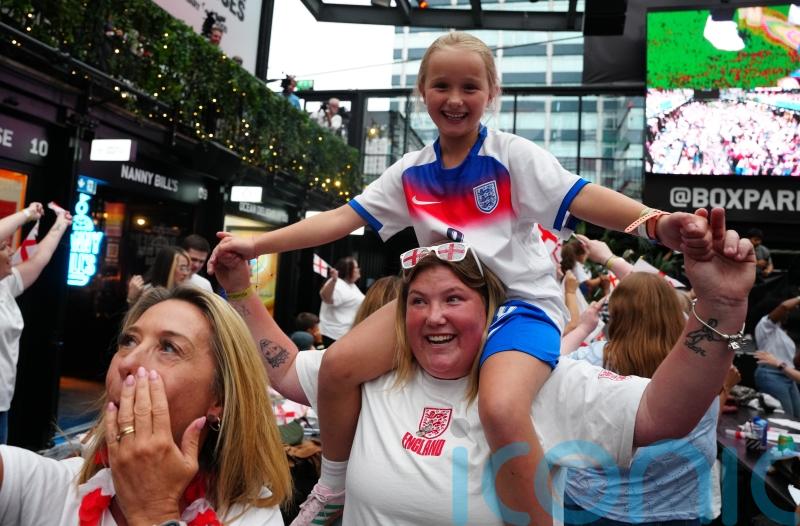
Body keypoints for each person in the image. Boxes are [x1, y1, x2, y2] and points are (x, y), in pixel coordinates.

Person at [209, 31, 727, 526]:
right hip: (438, 297)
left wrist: (655, 223)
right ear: (422, 92)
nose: (454, 99)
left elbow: (583, 195)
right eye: (441, 86)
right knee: (341, 365)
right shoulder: (410, 171)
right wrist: (256, 244)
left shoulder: (511, 157)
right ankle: (334, 488)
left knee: (502, 407)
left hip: (518, 307)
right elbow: (339, 219)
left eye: (469, 87)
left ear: (491, 93)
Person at [212, 207, 754, 525]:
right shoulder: (372, 372)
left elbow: (664, 414)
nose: (432, 316)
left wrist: (721, 307)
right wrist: (238, 290)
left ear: (491, 310)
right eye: (418, 301)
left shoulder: (535, 383)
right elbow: (282, 370)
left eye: (453, 300)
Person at [0, 286, 291, 524]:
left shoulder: (251, 515)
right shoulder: (53, 486)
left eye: (168, 348)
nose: (127, 362)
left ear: (220, 399)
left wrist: (155, 512)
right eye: (128, 341)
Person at [561, 272, 719, 525]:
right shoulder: (701, 364)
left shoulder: (589, 362)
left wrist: (583, 328)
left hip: (593, 504)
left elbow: (549, 366)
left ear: (614, 315)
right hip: (677, 509)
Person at [0, 203, 71, 444]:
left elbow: (39, 258)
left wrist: (61, 223)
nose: (11, 252)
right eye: (3, 247)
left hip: (2, 403)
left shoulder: (5, 285)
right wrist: (28, 214)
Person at [753, 295, 800, 416]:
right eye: (786, 312)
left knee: (797, 415)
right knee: (785, 416)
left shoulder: (783, 334)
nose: (788, 313)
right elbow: (784, 306)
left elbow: (792, 361)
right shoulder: (765, 326)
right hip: (771, 374)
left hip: (788, 374)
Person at [318, 257, 364, 348]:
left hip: (346, 334)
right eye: (356, 267)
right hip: (335, 336)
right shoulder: (337, 284)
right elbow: (325, 297)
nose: (359, 270)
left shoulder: (351, 285)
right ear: (348, 270)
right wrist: (334, 280)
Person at [127, 246, 191, 305]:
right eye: (182, 268)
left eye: (187, 268)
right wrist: (132, 299)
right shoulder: (150, 295)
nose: (186, 273)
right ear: (168, 269)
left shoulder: (183, 293)